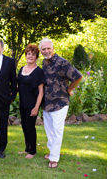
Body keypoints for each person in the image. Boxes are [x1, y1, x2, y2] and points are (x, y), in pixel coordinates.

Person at [40, 38, 83, 168]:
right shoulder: (44, 62)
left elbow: (78, 76)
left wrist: (69, 89)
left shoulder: (62, 63)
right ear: (41, 51)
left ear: (53, 49)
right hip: (46, 103)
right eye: (44, 49)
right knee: (49, 130)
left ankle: (54, 158)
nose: (46, 51)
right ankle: (52, 151)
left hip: (60, 102)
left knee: (57, 130)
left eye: (48, 48)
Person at [17, 44, 45, 159]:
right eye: (28, 54)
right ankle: (27, 148)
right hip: (22, 102)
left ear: (36, 57)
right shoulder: (22, 69)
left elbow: (41, 91)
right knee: (24, 126)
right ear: (26, 55)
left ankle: (32, 151)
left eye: (33, 54)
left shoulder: (39, 72)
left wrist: (36, 107)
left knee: (30, 127)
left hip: (32, 103)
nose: (30, 56)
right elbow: (19, 86)